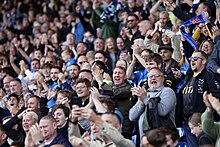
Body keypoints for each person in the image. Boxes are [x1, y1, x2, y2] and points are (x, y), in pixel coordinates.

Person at [176, 51, 220, 147]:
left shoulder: (210, 76)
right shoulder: (188, 78)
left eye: (195, 59)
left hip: (202, 123)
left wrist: (207, 113)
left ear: (204, 61)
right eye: (191, 59)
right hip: (187, 123)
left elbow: (217, 95)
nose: (192, 61)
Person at [129, 67, 176, 141]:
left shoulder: (167, 91)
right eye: (150, 76)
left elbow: (162, 111)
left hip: (162, 140)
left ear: (163, 79)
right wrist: (141, 103)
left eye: (157, 76)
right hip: (145, 141)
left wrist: (144, 99)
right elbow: (132, 117)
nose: (153, 78)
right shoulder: (145, 93)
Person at [69, 107, 134, 147]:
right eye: (101, 122)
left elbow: (120, 141)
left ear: (117, 126)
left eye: (106, 122)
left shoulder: (127, 144)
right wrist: (73, 122)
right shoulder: (96, 145)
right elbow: (75, 140)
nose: (101, 125)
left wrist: (97, 120)